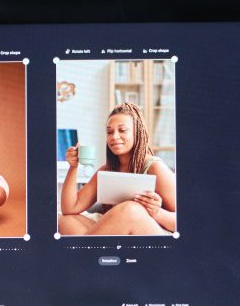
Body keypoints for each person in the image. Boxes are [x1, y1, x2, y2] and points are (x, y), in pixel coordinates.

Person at [59, 101, 176, 236]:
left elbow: (187, 222)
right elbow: (69, 208)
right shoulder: (107, 170)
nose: (114, 136)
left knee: (130, 209)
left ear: (137, 133)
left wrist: (157, 212)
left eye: (122, 130)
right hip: (119, 235)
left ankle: (87, 251)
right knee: (66, 220)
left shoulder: (154, 167)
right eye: (109, 132)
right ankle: (92, 249)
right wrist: (73, 167)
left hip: (156, 233)